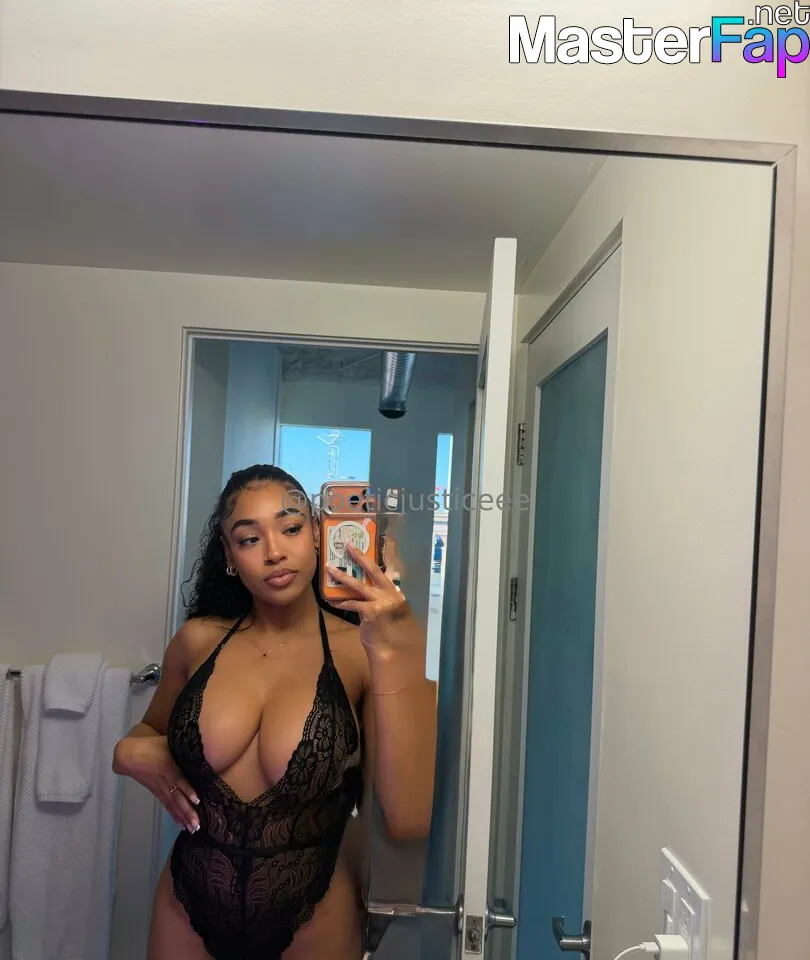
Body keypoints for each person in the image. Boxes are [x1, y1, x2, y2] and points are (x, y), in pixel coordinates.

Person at [112, 464, 437, 960]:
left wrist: (396, 648)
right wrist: (130, 752)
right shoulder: (196, 642)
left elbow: (407, 822)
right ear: (229, 556)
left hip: (316, 910)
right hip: (186, 903)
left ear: (318, 534)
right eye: (249, 539)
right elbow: (147, 732)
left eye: (290, 528)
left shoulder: (360, 652)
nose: (274, 552)